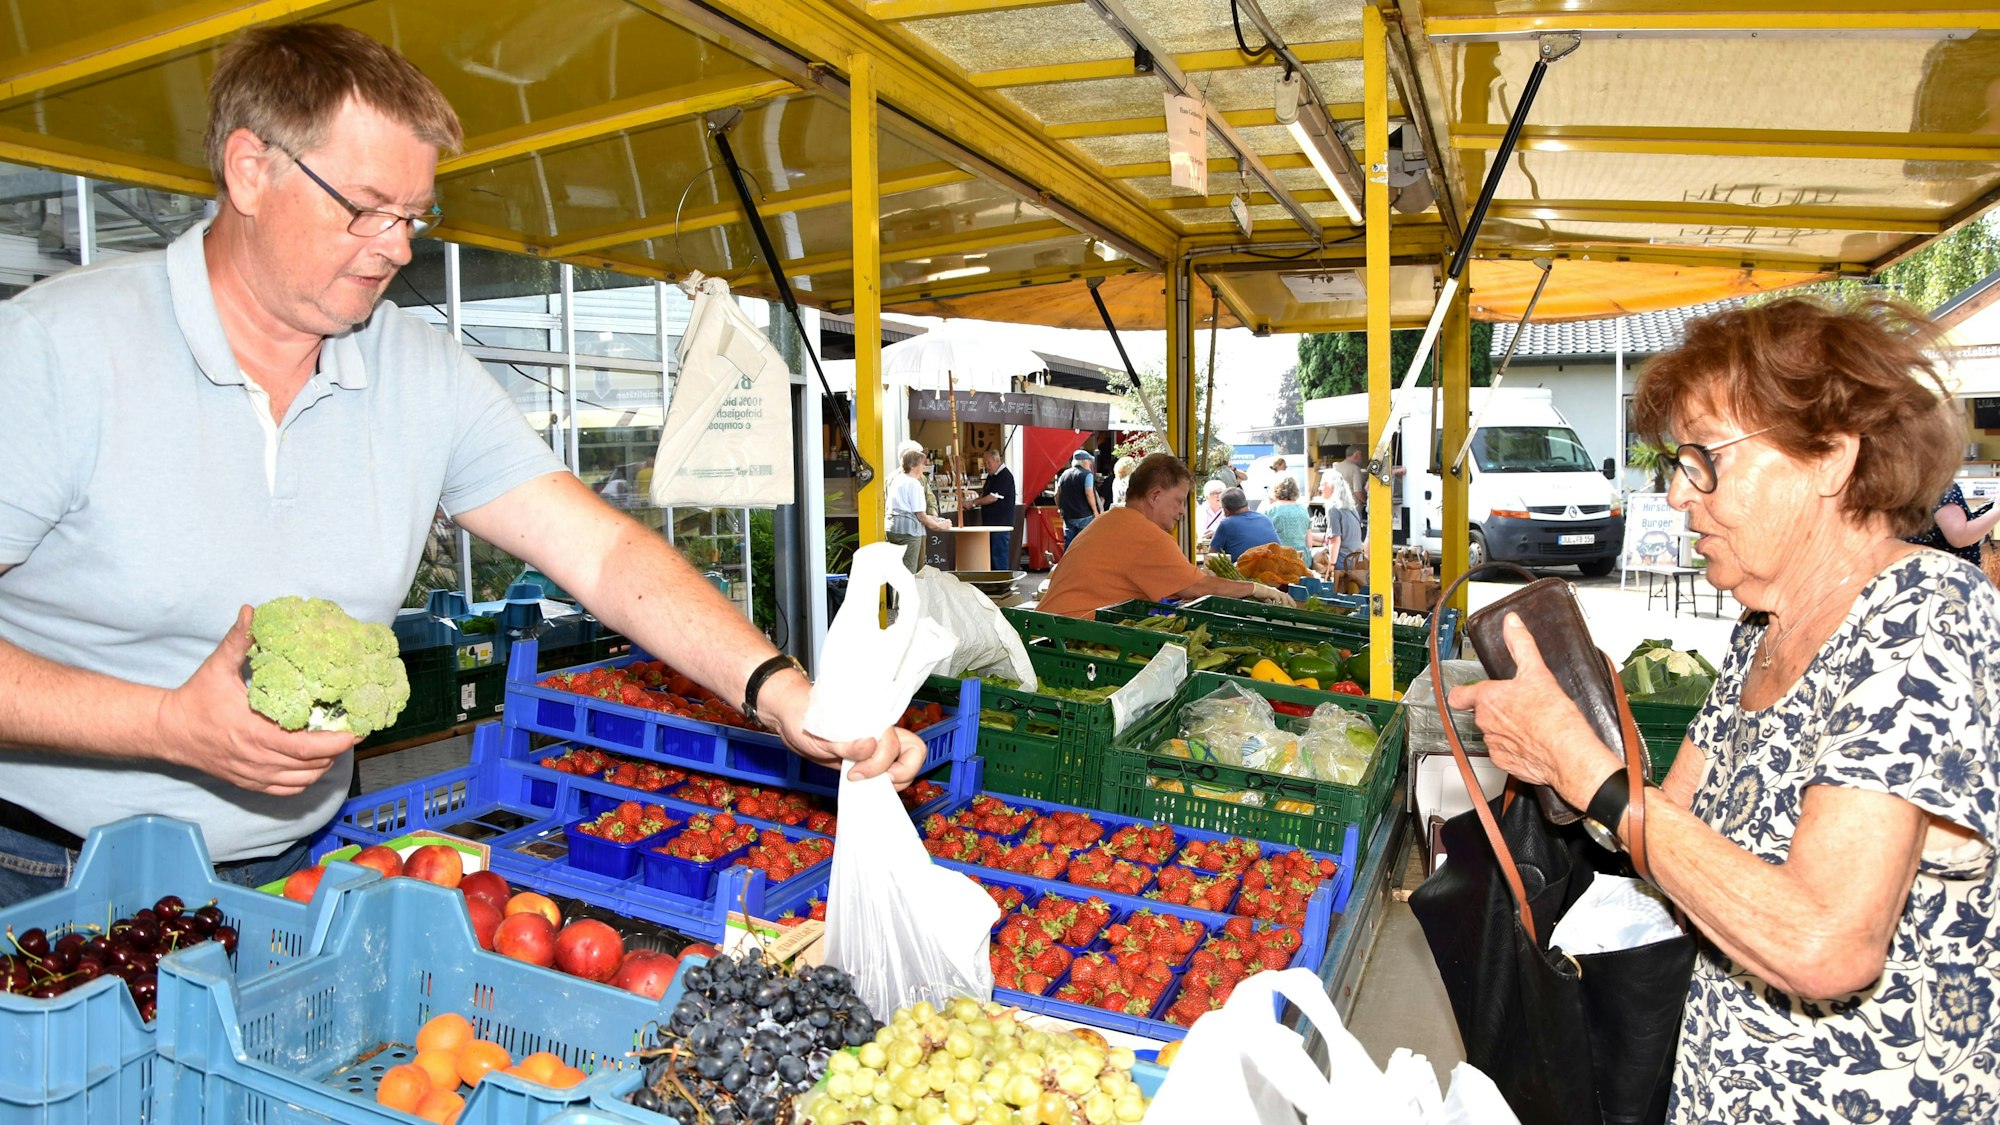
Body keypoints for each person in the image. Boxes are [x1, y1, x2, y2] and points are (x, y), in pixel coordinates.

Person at [0, 24, 926, 906]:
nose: (398, 247)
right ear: (250, 169)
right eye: (366, 208)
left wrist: (777, 690)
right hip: (45, 870)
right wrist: (162, 724)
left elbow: (599, 554)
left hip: (300, 865)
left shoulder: (418, 369)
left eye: (415, 215)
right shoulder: (57, 351)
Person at [1447, 297, 2000, 1123]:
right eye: (1676, 461)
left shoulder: (1924, 615)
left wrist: (1590, 771)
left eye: (1705, 458)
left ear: (1831, 459)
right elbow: (1661, 829)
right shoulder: (1760, 631)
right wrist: (1567, 737)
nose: (1677, 494)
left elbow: (1827, 943)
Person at [1038, 454, 1294, 618]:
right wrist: (1256, 589)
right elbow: (1197, 587)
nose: (1182, 511)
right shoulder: (1146, 536)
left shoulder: (1110, 520)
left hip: (1049, 629)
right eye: (1179, 501)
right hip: (1071, 639)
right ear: (1155, 496)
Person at [1903, 482, 2000, 567]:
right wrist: (1997, 510)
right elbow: (1960, 537)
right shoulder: (1939, 485)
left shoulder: (1903, 486)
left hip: (1907, 565)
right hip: (1942, 573)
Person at [886, 448, 952, 573]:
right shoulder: (914, 483)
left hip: (892, 529)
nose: (924, 467)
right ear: (913, 466)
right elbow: (921, 515)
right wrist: (939, 525)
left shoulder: (896, 480)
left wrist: (930, 518)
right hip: (909, 533)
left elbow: (905, 508)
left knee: (896, 571)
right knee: (910, 572)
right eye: (922, 464)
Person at [969, 447, 1017, 572]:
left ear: (997, 461)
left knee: (998, 556)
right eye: (985, 463)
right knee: (992, 556)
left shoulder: (1005, 476)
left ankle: (1002, 585)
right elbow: (985, 494)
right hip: (991, 524)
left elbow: (992, 497)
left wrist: (974, 503)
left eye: (988, 463)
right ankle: (995, 584)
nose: (987, 466)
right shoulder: (992, 476)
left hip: (1000, 524)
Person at [1208, 488, 1282, 561]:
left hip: (1243, 571)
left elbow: (1211, 555)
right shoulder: (1264, 518)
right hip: (1274, 568)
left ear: (1225, 510)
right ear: (1246, 503)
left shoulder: (1226, 524)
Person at [1311, 473, 1363, 573]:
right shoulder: (1351, 508)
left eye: (1323, 484)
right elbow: (1334, 537)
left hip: (1342, 560)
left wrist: (1331, 566)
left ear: (1332, 486)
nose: (1320, 488)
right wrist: (1309, 535)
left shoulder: (1332, 508)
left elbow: (1335, 540)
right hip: (1356, 560)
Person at [1056, 449, 1102, 551]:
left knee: (1069, 545)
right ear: (1084, 461)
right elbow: (1089, 493)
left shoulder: (1064, 474)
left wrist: (1060, 508)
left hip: (1068, 516)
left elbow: (1057, 494)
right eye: (1089, 461)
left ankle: (1067, 565)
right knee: (1085, 545)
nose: (1090, 464)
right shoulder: (1087, 474)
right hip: (1085, 515)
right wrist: (1095, 511)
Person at [1265, 477, 1310, 556]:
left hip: (1280, 559)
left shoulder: (1270, 510)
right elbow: (1309, 542)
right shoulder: (1303, 510)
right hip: (1302, 559)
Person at [1333, 446, 1369, 517]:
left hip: (1338, 506)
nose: (1362, 458)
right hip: (1353, 508)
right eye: (1361, 455)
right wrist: (1366, 501)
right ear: (1356, 455)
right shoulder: (1355, 469)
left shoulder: (1337, 467)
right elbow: (1357, 491)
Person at [1195, 479, 1228, 546]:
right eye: (1215, 493)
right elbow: (1201, 533)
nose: (1219, 496)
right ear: (1207, 497)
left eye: (1221, 492)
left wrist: (1215, 532)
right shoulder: (1201, 510)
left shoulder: (1229, 509)